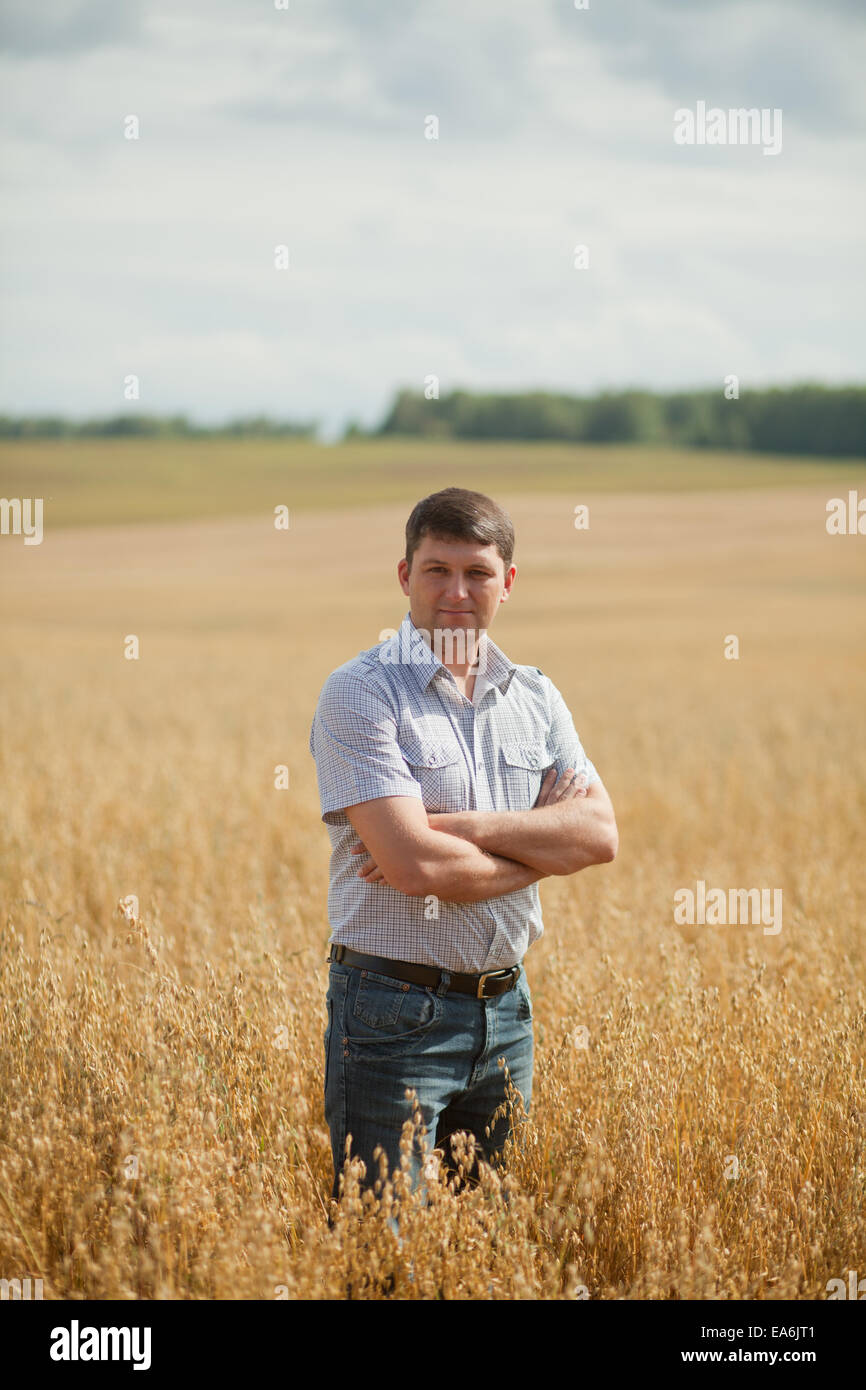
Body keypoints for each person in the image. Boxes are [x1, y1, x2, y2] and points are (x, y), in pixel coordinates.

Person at [308, 486, 617, 1226]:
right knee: (389, 1249)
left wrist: (462, 827)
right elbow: (416, 869)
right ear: (403, 576)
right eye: (435, 569)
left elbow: (599, 836)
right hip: (391, 1016)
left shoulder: (536, 697)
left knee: (486, 1238)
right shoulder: (361, 695)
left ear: (507, 582)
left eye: (477, 572)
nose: (456, 591)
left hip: (508, 1013)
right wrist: (543, 844)